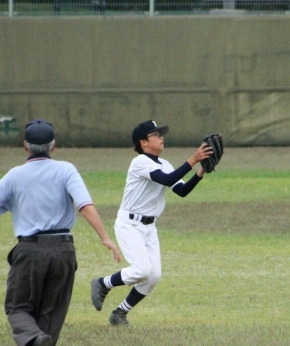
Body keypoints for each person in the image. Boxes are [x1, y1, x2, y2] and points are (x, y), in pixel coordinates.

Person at [0, 119, 121, 346]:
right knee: (51, 315)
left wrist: (12, 202)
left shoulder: (14, 176)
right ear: (53, 146)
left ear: (25, 146)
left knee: (18, 307)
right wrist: (105, 238)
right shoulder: (66, 170)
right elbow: (84, 205)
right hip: (63, 250)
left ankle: (33, 341)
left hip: (29, 250)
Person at [90, 120, 213, 325]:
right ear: (144, 142)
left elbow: (181, 190)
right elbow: (166, 180)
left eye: (161, 134)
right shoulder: (140, 162)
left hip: (149, 227)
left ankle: (120, 313)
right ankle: (103, 283)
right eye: (156, 134)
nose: (161, 137)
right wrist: (193, 159)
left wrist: (201, 171)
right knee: (141, 270)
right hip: (129, 224)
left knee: (153, 276)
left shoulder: (165, 164)